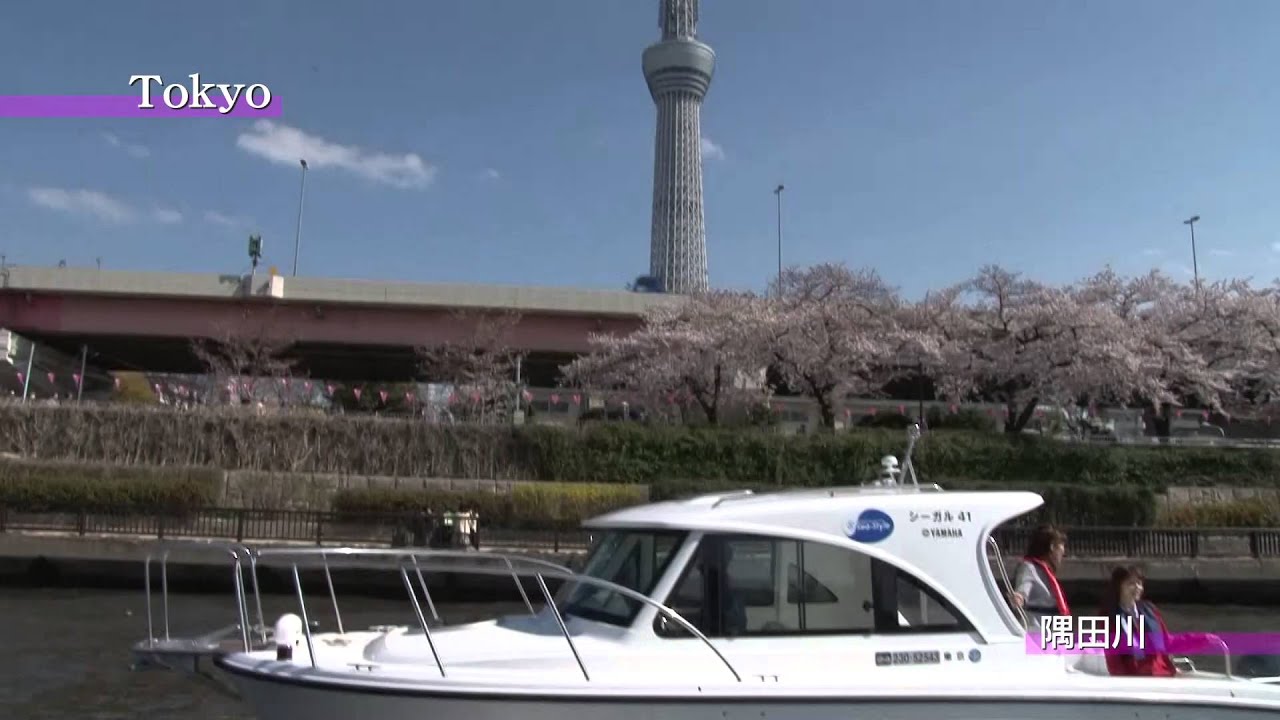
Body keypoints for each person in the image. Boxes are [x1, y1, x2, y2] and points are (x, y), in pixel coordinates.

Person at [1099, 565, 1176, 677]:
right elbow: (1113, 658)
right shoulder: (1109, 618)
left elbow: (1167, 641)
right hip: (1134, 676)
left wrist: (1172, 667)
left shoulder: (1150, 610)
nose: (1137, 588)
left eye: (1139, 583)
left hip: (1161, 671)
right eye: (1131, 584)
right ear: (1119, 587)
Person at [1010, 524, 1070, 631]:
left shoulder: (1047, 572)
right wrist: (1020, 597)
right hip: (1036, 629)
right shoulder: (1029, 567)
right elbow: (1024, 586)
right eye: (1061, 546)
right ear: (1052, 547)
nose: (1063, 552)